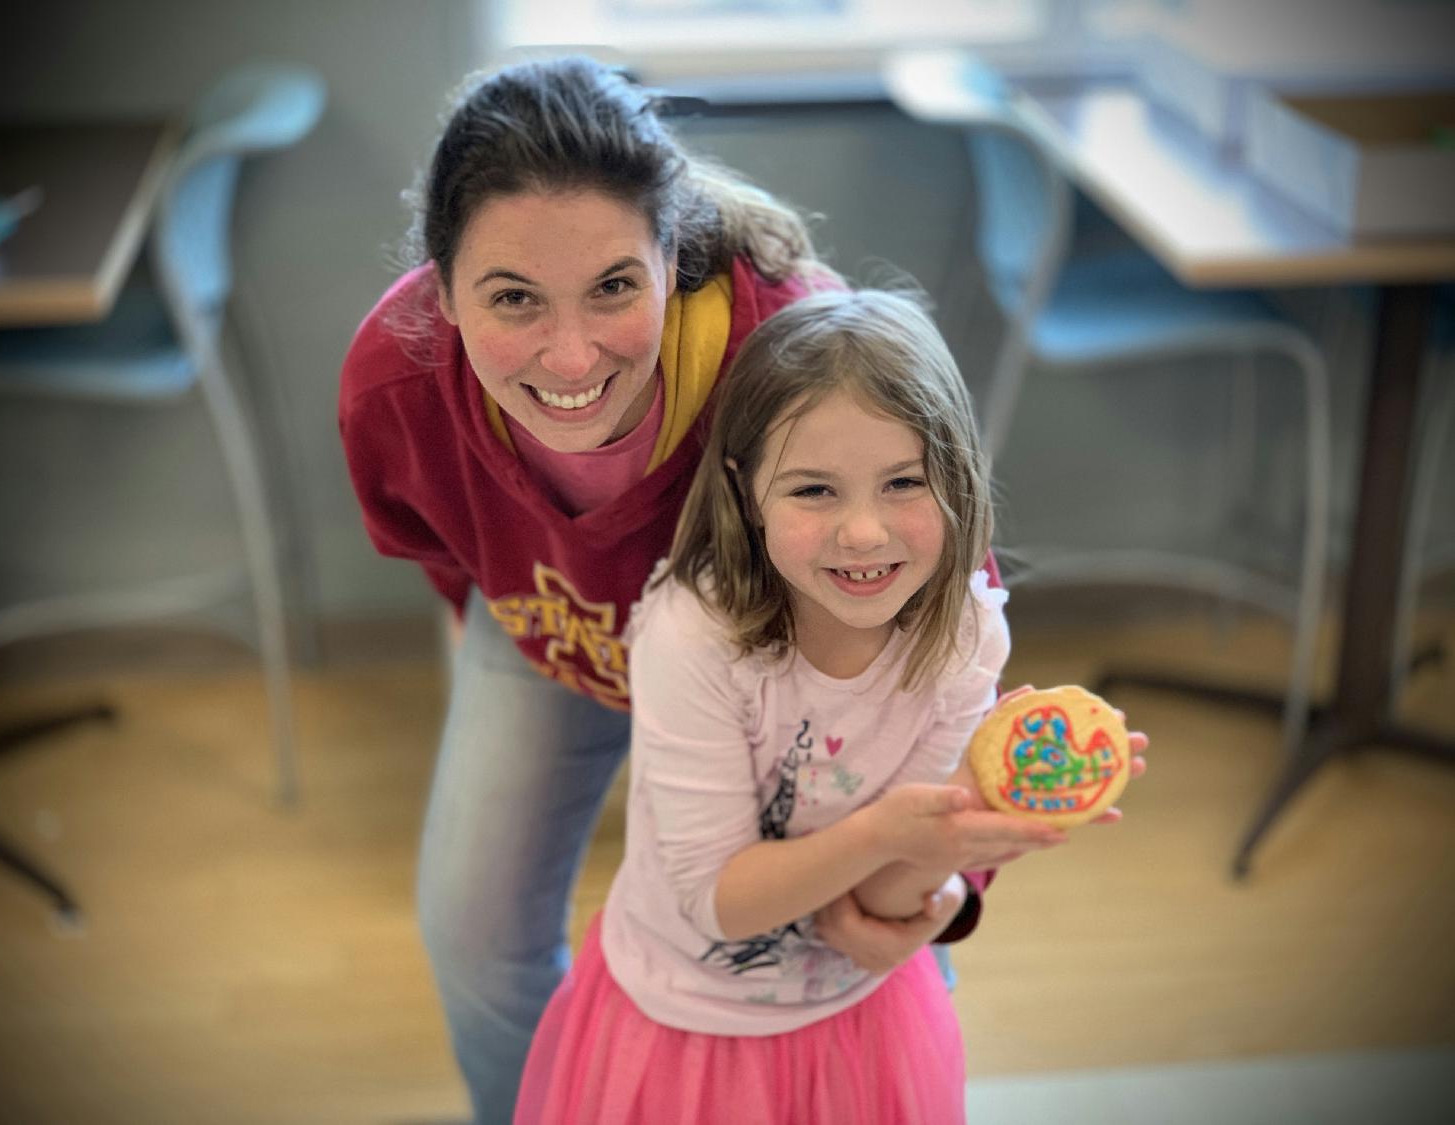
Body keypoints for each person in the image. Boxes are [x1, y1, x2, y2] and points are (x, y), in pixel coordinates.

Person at [339, 55, 1062, 1124]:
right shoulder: (393, 386)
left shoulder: (793, 348)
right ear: (438, 291)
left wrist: (944, 899)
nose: (572, 352)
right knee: (475, 933)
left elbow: (945, 601)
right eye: (512, 299)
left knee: (878, 959)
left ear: (672, 257)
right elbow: (443, 551)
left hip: (810, 658)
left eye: (614, 288)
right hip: (553, 634)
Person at [513, 289, 1149, 1124]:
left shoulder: (963, 634)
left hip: (862, 1019)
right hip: (684, 1023)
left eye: (902, 483)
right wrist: (896, 831)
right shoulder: (692, 637)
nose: (863, 532)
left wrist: (960, 831)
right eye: (814, 490)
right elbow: (722, 899)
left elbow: (877, 909)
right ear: (745, 492)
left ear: (954, 476)